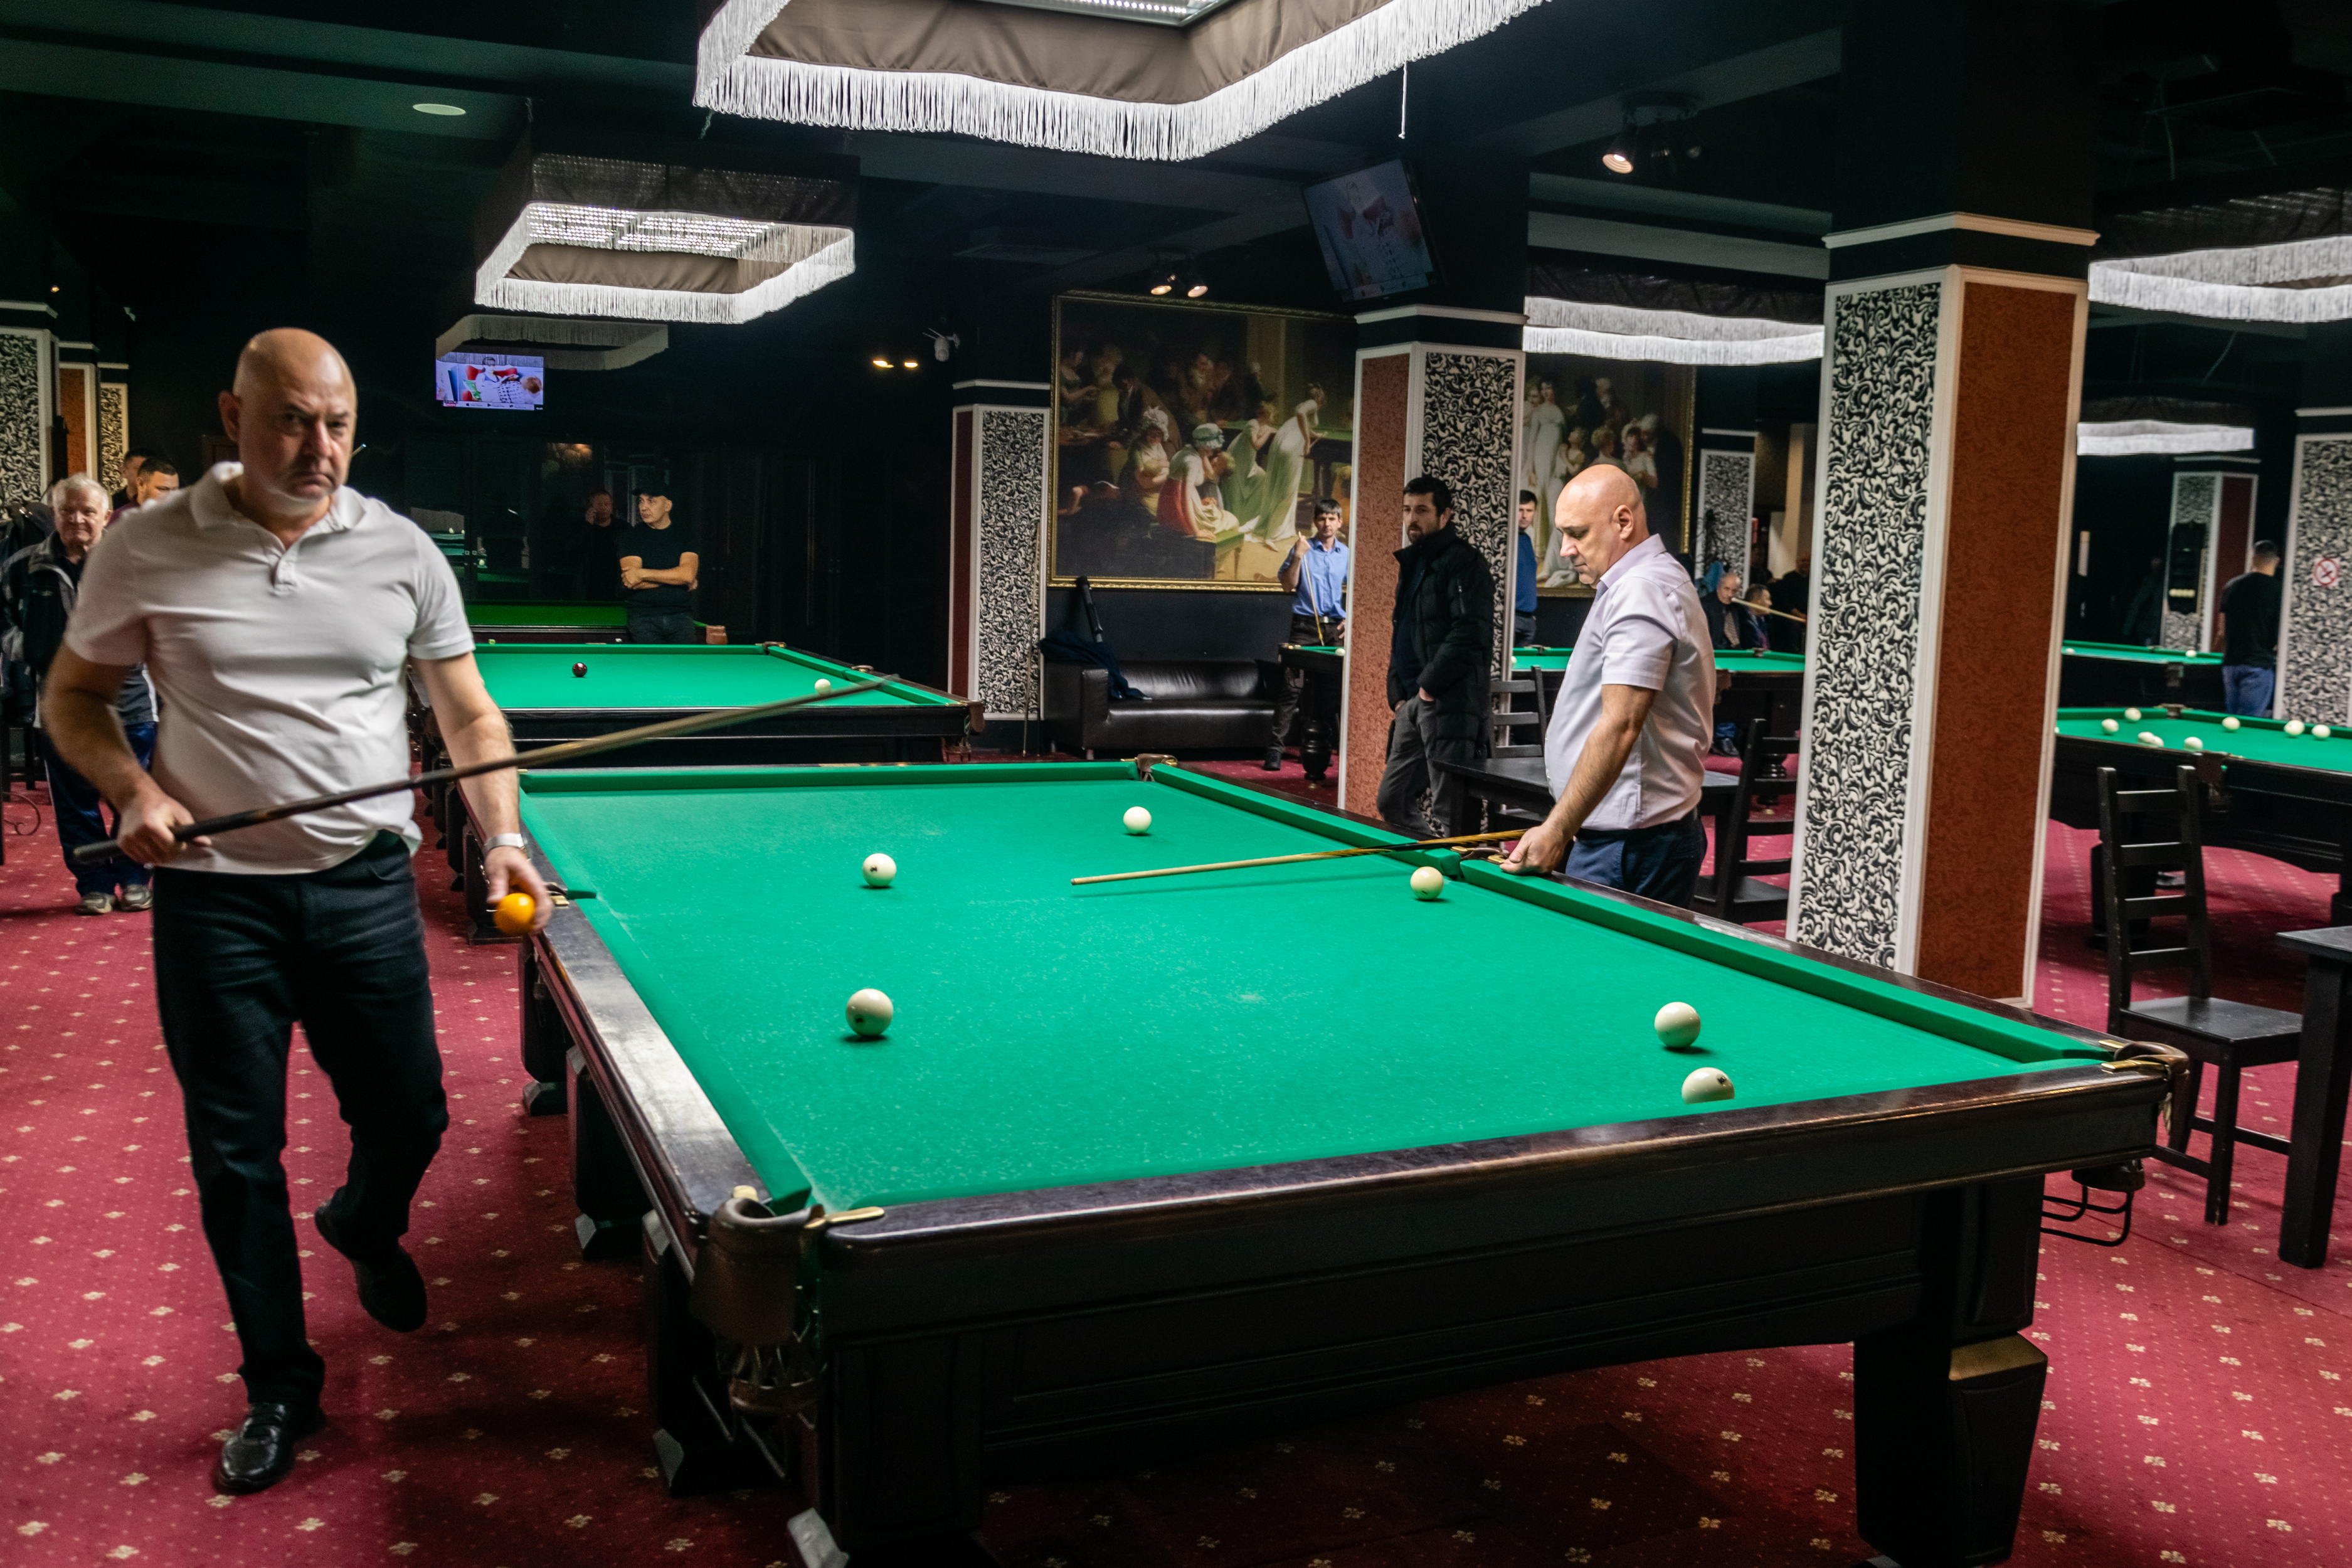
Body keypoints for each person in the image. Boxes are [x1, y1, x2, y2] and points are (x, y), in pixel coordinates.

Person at [42, 328, 553, 1496]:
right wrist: (134, 791)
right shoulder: (145, 545)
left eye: (337, 424)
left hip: (364, 883)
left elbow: (468, 716)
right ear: (233, 418)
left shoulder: (401, 551)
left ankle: (365, 1222)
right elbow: (74, 699)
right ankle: (280, 1385)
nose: (318, 446)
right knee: (236, 1156)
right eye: (291, 420)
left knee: (412, 1114)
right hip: (217, 902)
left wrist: (501, 838)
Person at [1498, 465, 1715, 904]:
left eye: (1577, 533)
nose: (1565, 550)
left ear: (1624, 522)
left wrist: (1557, 829)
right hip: (1631, 841)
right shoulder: (1644, 580)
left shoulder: (1641, 589)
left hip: (1629, 848)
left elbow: (1620, 725)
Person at [21, 474, 157, 913]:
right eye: (67, 511)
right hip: (60, 707)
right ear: (55, 515)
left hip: (131, 702)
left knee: (132, 795)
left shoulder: (133, 562)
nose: (77, 519)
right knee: (75, 803)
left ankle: (135, 878)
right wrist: (31, 647)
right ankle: (94, 884)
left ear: (106, 516)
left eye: (87, 511)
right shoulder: (26, 565)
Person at [1376, 475, 1494, 839]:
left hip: (1446, 699)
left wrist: (1428, 688)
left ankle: (1458, 868)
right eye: (1407, 510)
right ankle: (1428, 855)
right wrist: (1398, 694)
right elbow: (1403, 630)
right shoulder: (1414, 562)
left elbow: (1470, 632)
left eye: (1422, 510)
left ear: (1445, 516)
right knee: (1391, 801)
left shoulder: (1464, 562)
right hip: (1412, 703)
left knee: (1451, 809)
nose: (1412, 518)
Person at [1268, 499, 1350, 770]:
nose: (1327, 524)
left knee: (1331, 692)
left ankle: (1319, 747)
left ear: (1340, 522)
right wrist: (1298, 556)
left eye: (1332, 519)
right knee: (1292, 689)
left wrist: (1350, 619)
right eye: (1322, 518)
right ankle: (1275, 750)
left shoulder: (1346, 554)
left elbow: (1360, 590)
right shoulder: (1302, 549)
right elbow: (1287, 585)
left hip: (1334, 629)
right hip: (1305, 627)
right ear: (1315, 522)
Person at [617, 486, 701, 643]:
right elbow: (632, 581)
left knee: (683, 661)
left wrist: (642, 573)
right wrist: (677, 580)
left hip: (681, 616)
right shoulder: (630, 536)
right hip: (643, 617)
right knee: (650, 661)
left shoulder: (686, 534)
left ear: (667, 505)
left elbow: (687, 575)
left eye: (651, 501)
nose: (643, 507)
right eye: (641, 501)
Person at [2214, 540, 2282, 717]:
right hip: (2258, 665)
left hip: (2231, 665)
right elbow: (2281, 636)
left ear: (2253, 558)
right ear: (2277, 561)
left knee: (2232, 720)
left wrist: (2218, 655)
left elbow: (2222, 631)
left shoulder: (2231, 586)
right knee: (2249, 723)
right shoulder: (2280, 591)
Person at [110, 456, 179, 521]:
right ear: (141, 484)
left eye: (174, 490)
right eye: (163, 489)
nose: (171, 495)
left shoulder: (180, 517)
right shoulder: (119, 519)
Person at [1513, 489, 1540, 645]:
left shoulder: (1527, 540)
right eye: (1520, 510)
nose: (1525, 516)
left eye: (1529, 511)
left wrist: (1530, 616)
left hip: (1528, 620)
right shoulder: (1507, 540)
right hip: (1511, 618)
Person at [109, 445, 159, 510]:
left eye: (149, 470)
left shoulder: (161, 503)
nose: (145, 474)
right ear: (123, 472)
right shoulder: (111, 504)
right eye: (139, 469)